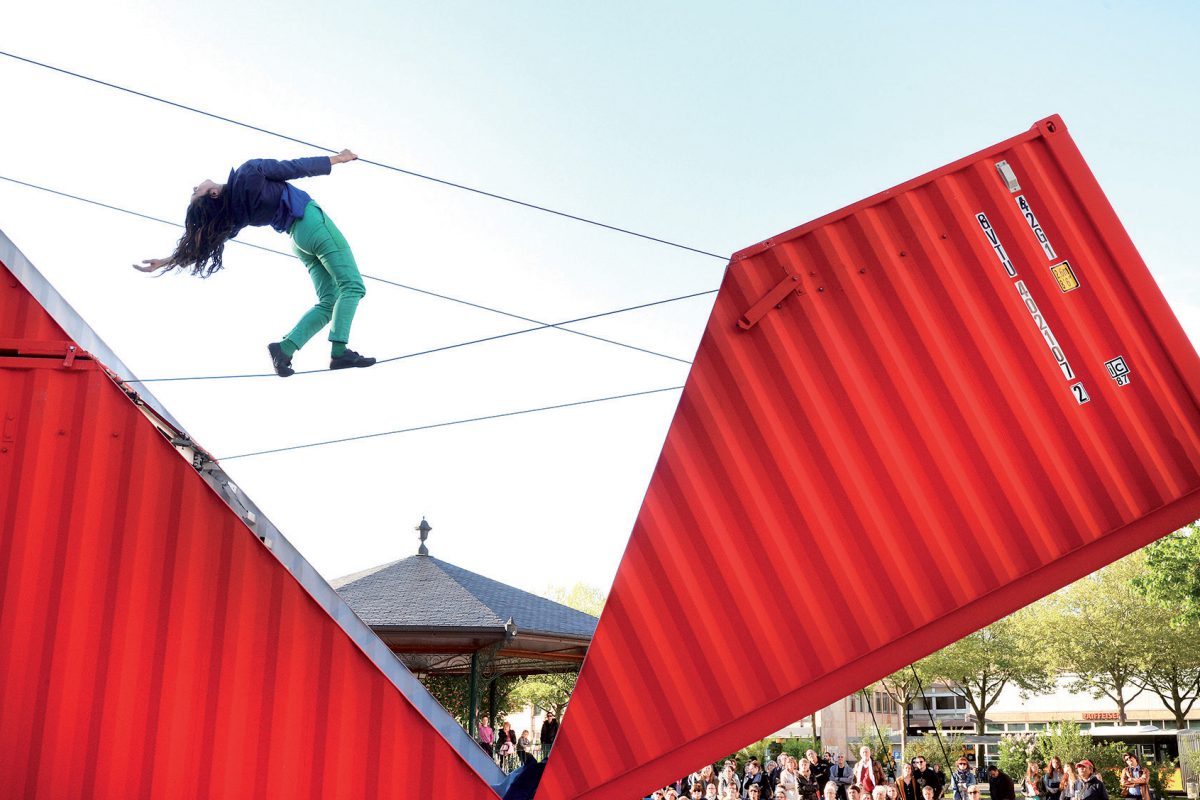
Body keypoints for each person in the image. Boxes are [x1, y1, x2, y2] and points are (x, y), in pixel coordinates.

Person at [135, 151, 376, 374]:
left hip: (298, 239)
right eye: (197, 191)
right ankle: (339, 352)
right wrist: (336, 159)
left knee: (329, 301)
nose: (195, 186)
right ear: (214, 194)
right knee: (352, 286)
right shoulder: (249, 173)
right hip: (310, 221)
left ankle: (285, 349)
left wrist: (167, 261)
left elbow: (203, 246)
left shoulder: (235, 213)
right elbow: (293, 168)